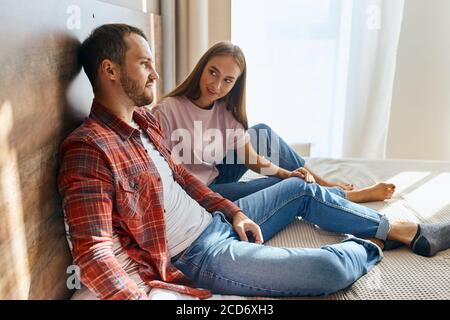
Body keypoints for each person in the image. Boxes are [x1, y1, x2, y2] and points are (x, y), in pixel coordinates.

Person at [58, 24, 450, 300]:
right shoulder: (90, 148)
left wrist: (233, 212)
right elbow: (92, 252)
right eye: (144, 63)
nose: (155, 73)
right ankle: (367, 244)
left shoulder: (142, 122)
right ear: (109, 70)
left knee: (299, 186)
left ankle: (404, 230)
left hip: (216, 220)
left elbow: (180, 177)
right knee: (330, 271)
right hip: (197, 253)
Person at [151, 41, 395, 203]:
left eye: (227, 80)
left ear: (236, 84)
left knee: (262, 134)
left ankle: (320, 183)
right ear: (202, 67)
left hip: (215, 177)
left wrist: (288, 173)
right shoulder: (168, 109)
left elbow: (251, 159)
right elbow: (157, 167)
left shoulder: (225, 112)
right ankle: (337, 195)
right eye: (212, 72)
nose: (216, 85)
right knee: (279, 188)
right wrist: (285, 180)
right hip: (192, 193)